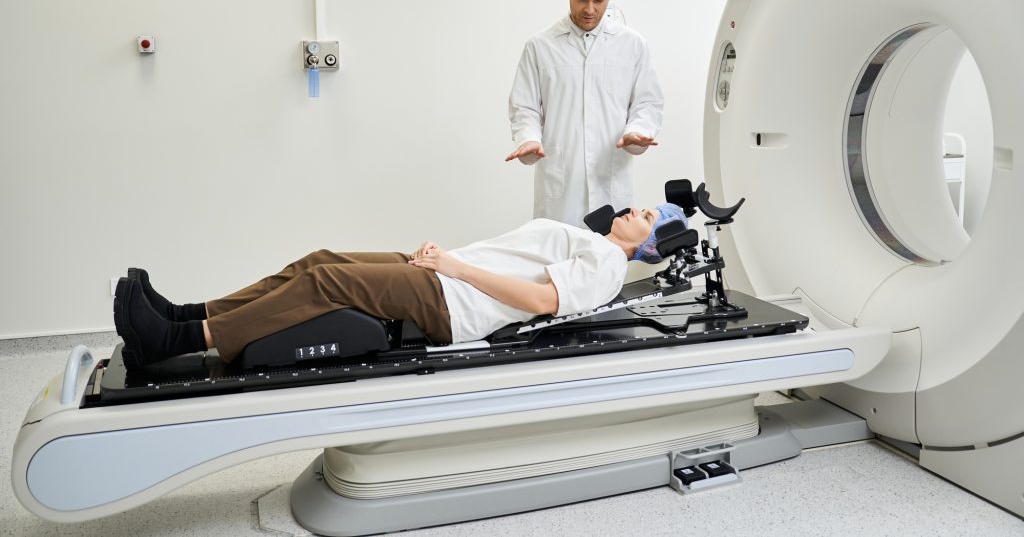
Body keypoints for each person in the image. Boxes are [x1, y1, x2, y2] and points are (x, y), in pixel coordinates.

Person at [113, 204, 687, 368]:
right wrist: (446, 257)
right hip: (447, 274)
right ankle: (184, 312)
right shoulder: (589, 238)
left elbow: (541, 301)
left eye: (644, 215)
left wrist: (455, 271)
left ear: (648, 242)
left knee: (327, 282)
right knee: (323, 259)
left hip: (454, 303)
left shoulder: (609, 265)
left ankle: (181, 340)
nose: (634, 208)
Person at [506, 0, 664, 227]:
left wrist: (636, 131)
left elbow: (647, 103)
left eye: (599, 0)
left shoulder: (632, 45)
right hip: (561, 186)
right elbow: (525, 106)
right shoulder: (540, 46)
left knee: (610, 262)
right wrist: (528, 138)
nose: (590, 9)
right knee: (555, 263)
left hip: (611, 183)